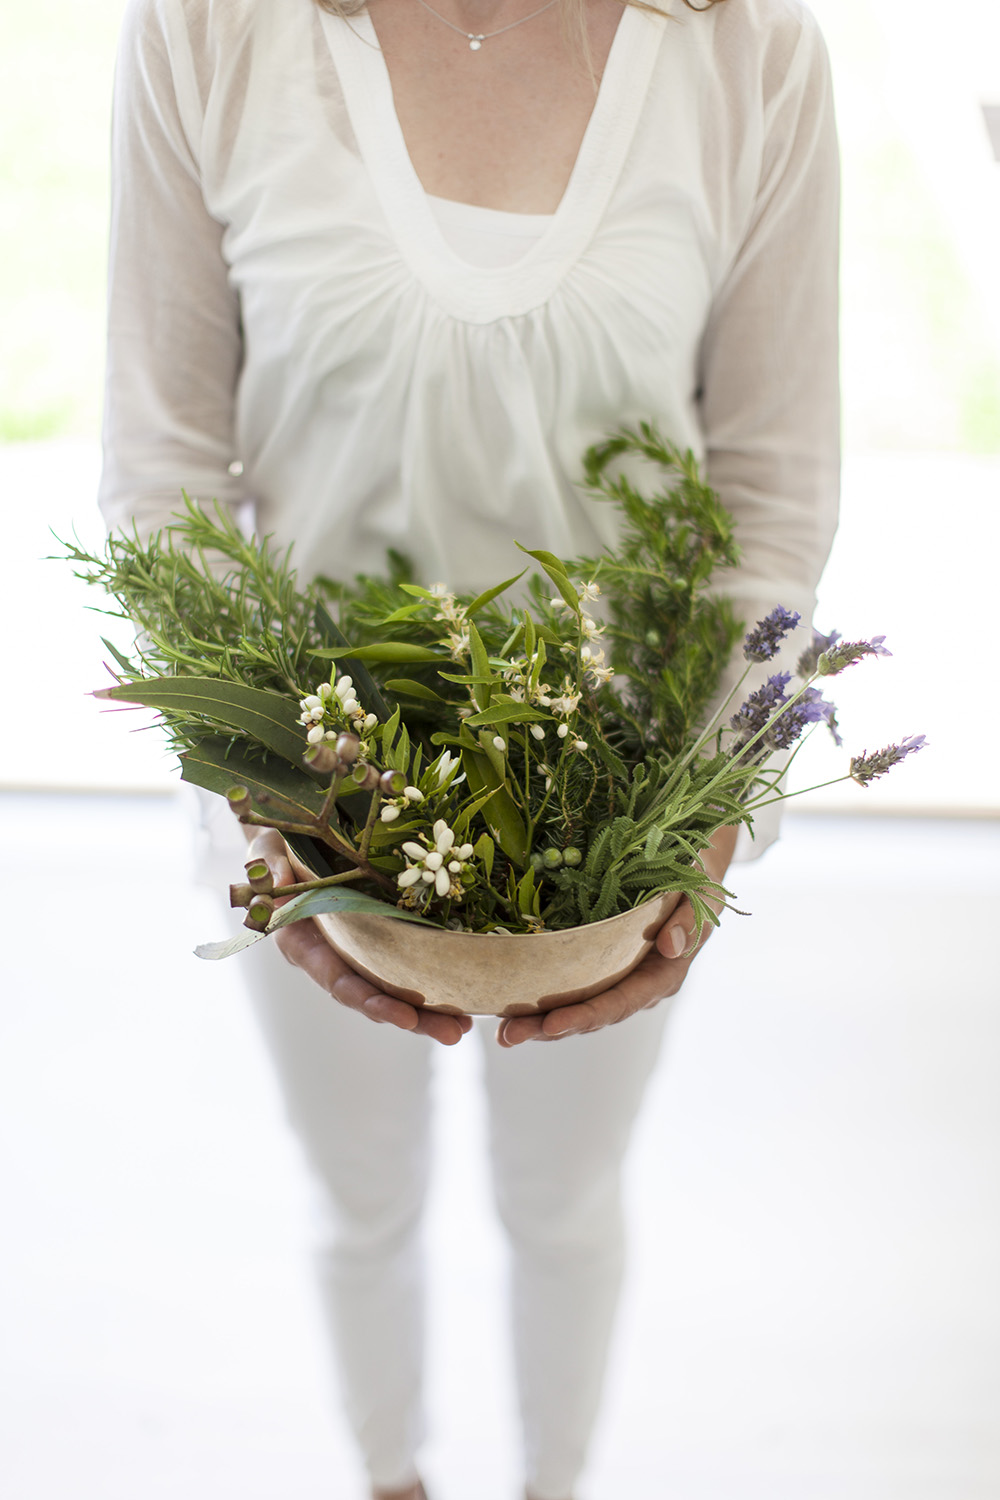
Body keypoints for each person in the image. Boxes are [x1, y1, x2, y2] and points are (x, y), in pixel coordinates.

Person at [98, 0, 840, 1495]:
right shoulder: (206, 31)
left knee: (564, 1200)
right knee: (359, 1193)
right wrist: (270, 809)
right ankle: (393, 1477)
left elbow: (769, 492)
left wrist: (706, 817)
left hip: (617, 812)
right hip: (312, 800)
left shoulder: (749, 51)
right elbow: (163, 466)